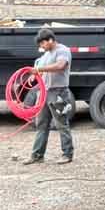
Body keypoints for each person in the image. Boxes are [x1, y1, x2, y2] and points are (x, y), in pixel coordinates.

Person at [27, 27, 74, 164]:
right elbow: (40, 70)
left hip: (58, 92)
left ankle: (67, 154)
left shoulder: (63, 51)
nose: (41, 46)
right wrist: (35, 75)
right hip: (44, 93)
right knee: (41, 124)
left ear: (51, 40)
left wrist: (38, 69)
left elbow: (60, 66)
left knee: (61, 124)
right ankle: (37, 155)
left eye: (43, 43)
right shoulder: (46, 55)